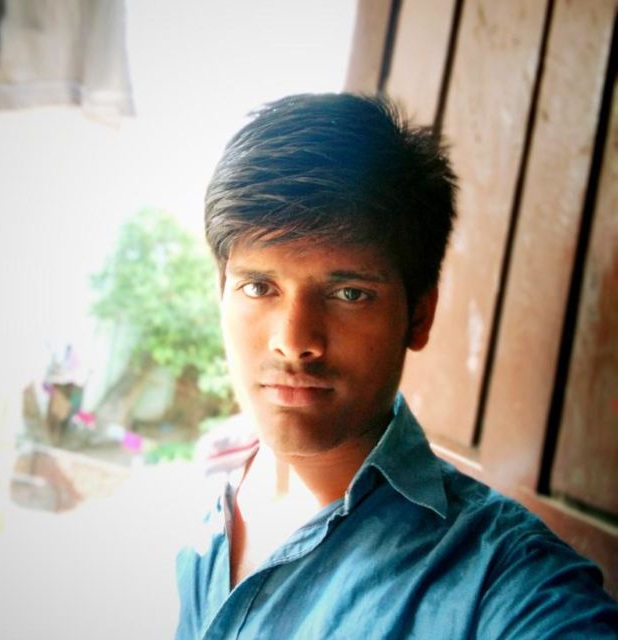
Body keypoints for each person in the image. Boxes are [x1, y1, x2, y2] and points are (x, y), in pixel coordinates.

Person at [176, 93, 618, 639]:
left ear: (419, 315)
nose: (294, 342)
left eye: (349, 293)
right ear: (221, 293)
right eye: (258, 287)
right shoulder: (204, 484)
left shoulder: (501, 578)